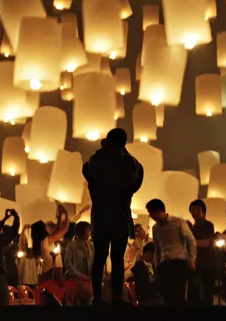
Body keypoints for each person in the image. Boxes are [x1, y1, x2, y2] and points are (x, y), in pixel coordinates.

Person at [82, 128, 144, 305]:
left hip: (101, 215)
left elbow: (86, 169)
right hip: (120, 215)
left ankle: (97, 297)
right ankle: (117, 296)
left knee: (100, 257)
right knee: (117, 258)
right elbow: (139, 174)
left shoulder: (97, 160)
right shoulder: (130, 163)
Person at [146, 198, 195, 306]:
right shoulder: (155, 228)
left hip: (179, 262)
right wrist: (157, 265)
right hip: (164, 264)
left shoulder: (178, 222)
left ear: (159, 211)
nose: (150, 216)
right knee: (166, 295)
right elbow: (157, 248)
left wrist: (192, 260)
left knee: (178, 294)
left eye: (151, 213)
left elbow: (191, 240)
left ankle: (180, 319)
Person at [190, 199, 221, 306]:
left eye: (197, 210)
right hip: (198, 265)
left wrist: (190, 242)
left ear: (204, 212)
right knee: (198, 296)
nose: (194, 212)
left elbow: (206, 242)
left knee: (206, 295)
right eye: (192, 210)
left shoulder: (207, 225)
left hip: (206, 265)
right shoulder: (193, 227)